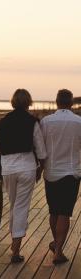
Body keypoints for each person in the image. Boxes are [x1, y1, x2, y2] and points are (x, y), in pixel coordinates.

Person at [0, 89, 46, 263]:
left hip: (8, 169)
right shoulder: (32, 122)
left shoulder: (2, 123)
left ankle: (15, 242)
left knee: (14, 205)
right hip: (27, 168)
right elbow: (41, 151)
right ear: (29, 102)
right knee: (20, 207)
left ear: (13, 102)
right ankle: (15, 249)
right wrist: (40, 170)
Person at [40, 89, 81, 265]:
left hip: (50, 172)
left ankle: (57, 245)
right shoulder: (79, 122)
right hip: (71, 173)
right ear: (71, 103)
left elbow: (40, 148)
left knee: (54, 211)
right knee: (64, 212)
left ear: (56, 102)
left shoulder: (46, 122)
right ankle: (57, 251)